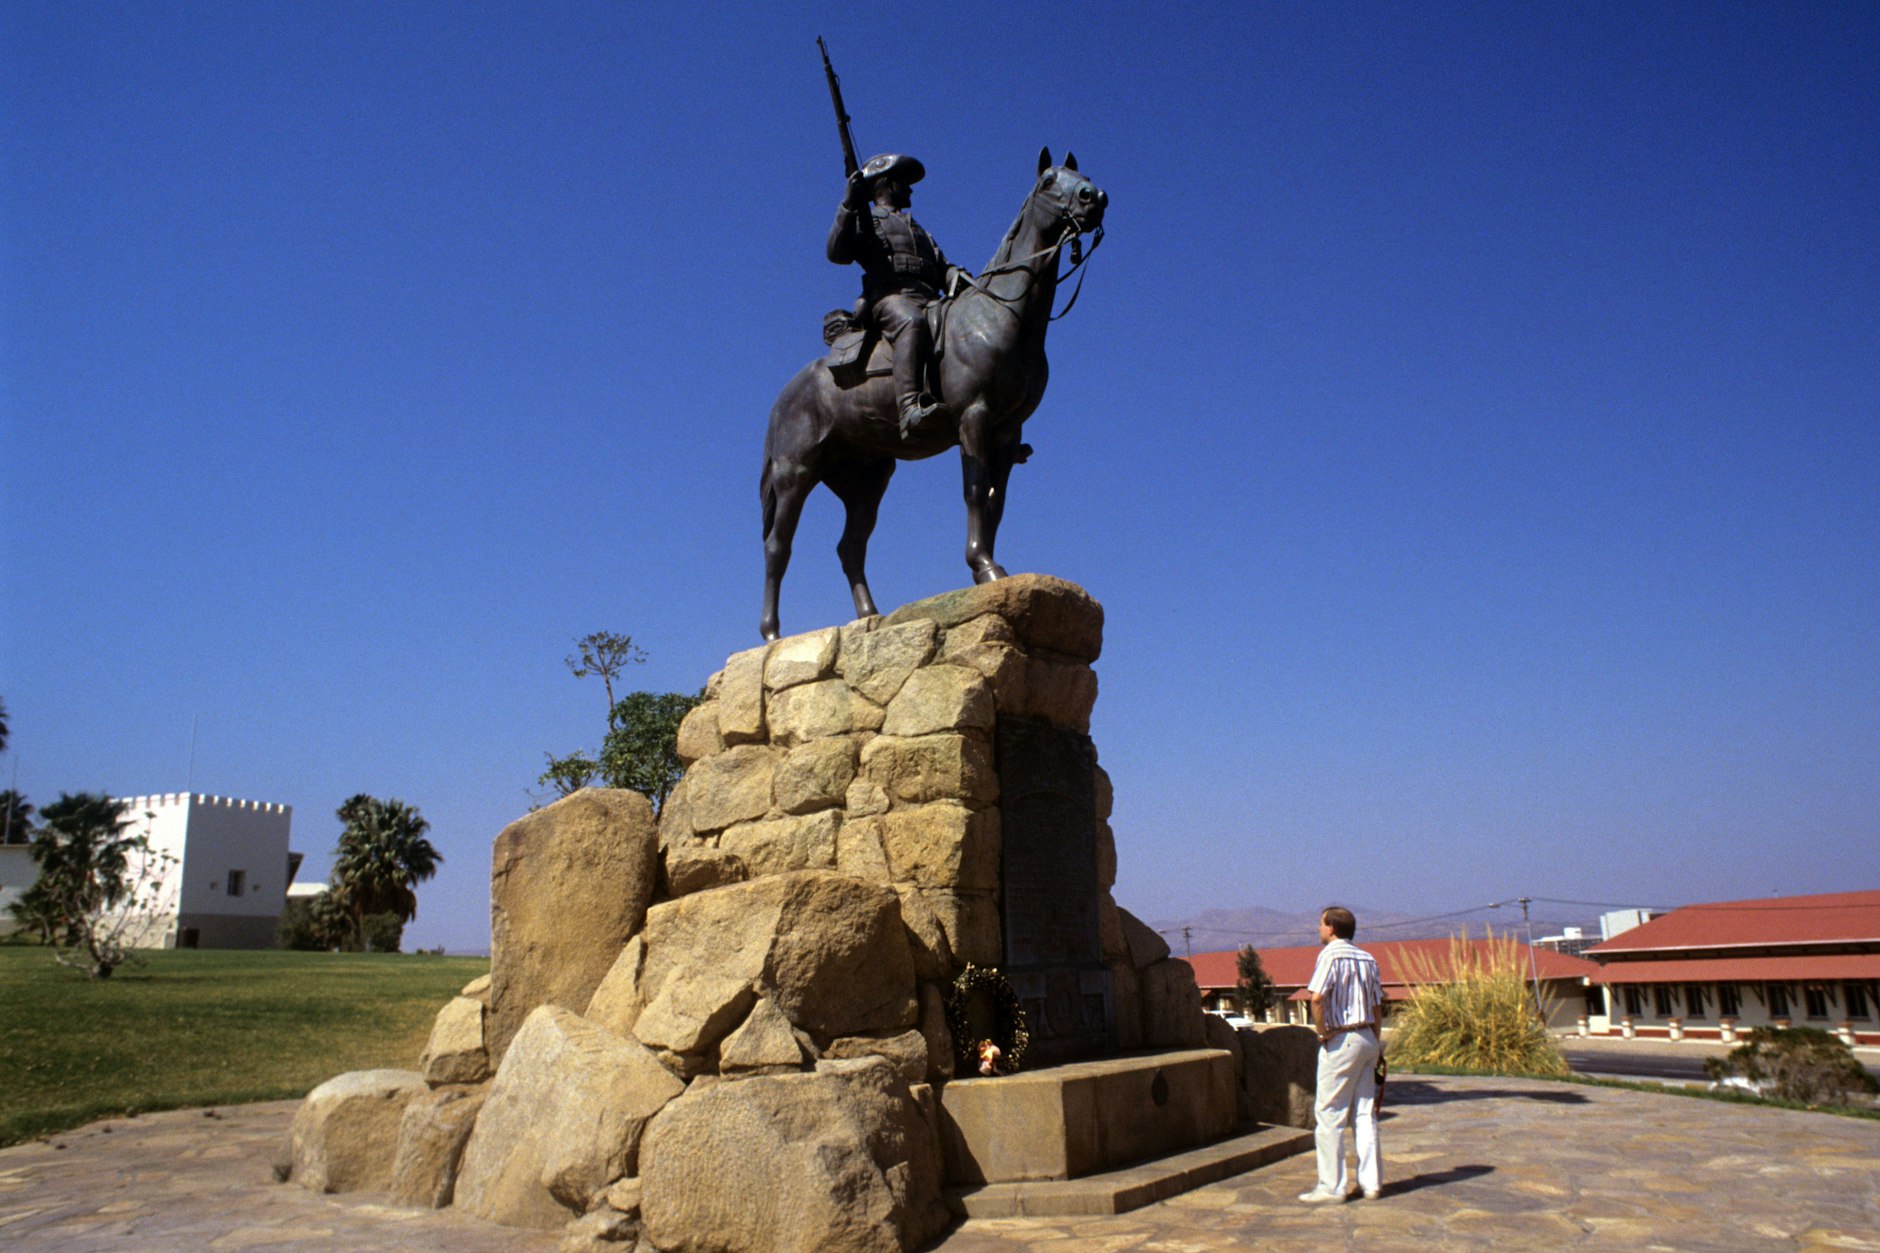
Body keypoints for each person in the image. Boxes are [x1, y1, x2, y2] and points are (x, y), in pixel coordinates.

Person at [826, 153, 968, 439]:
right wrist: (848, 204)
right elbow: (836, 253)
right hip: (888, 298)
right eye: (904, 182)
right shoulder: (867, 220)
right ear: (887, 184)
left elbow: (941, 265)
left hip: (930, 298)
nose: (910, 190)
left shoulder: (918, 229)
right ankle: (909, 406)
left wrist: (956, 276)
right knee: (911, 322)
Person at [1299, 905, 1384, 1204]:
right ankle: (1371, 1183)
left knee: (1330, 1113)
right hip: (1367, 1036)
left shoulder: (1331, 955)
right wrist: (1375, 1042)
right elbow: (1377, 1005)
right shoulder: (1368, 958)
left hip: (1342, 1038)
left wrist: (1322, 1033)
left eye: (1321, 924)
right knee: (1364, 1113)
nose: (1319, 929)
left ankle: (1331, 1186)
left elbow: (1317, 997)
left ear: (1331, 928)